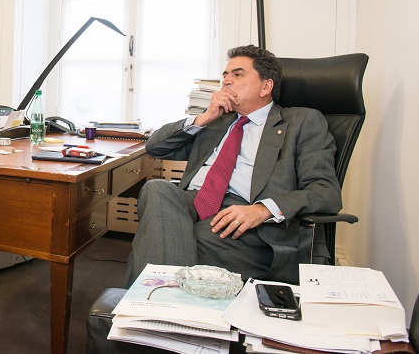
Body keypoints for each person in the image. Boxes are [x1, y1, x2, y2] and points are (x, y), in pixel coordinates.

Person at [124, 45, 342, 287]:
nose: (226, 81)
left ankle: (149, 310)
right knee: (156, 189)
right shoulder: (216, 122)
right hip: (194, 204)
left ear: (266, 86)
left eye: (237, 75)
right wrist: (203, 117)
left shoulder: (301, 121)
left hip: (247, 223)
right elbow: (155, 148)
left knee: (160, 236)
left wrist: (261, 210)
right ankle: (164, 307)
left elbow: (325, 191)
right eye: (225, 76)